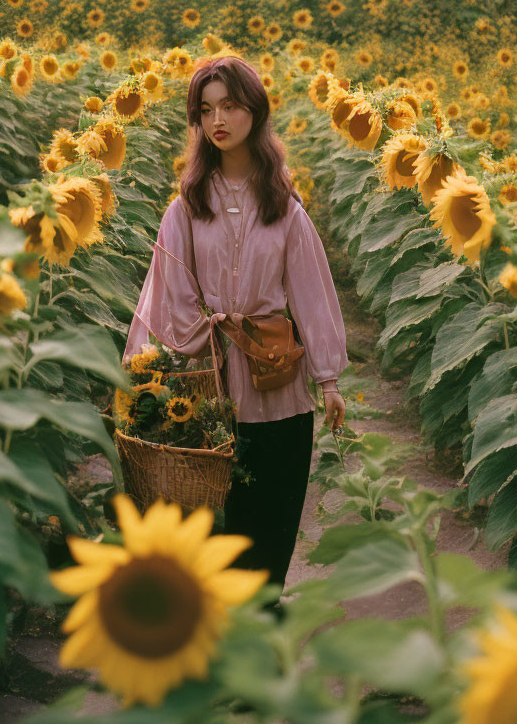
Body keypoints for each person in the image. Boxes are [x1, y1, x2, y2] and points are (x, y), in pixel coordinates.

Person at [122, 55, 348, 616]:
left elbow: (312, 292)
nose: (217, 119)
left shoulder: (284, 206)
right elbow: (166, 294)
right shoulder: (186, 205)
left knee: (275, 508)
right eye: (205, 109)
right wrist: (151, 372)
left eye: (229, 105)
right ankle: (220, 630)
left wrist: (329, 377)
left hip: (277, 380)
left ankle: (264, 625)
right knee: (218, 517)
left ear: (254, 109)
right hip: (211, 387)